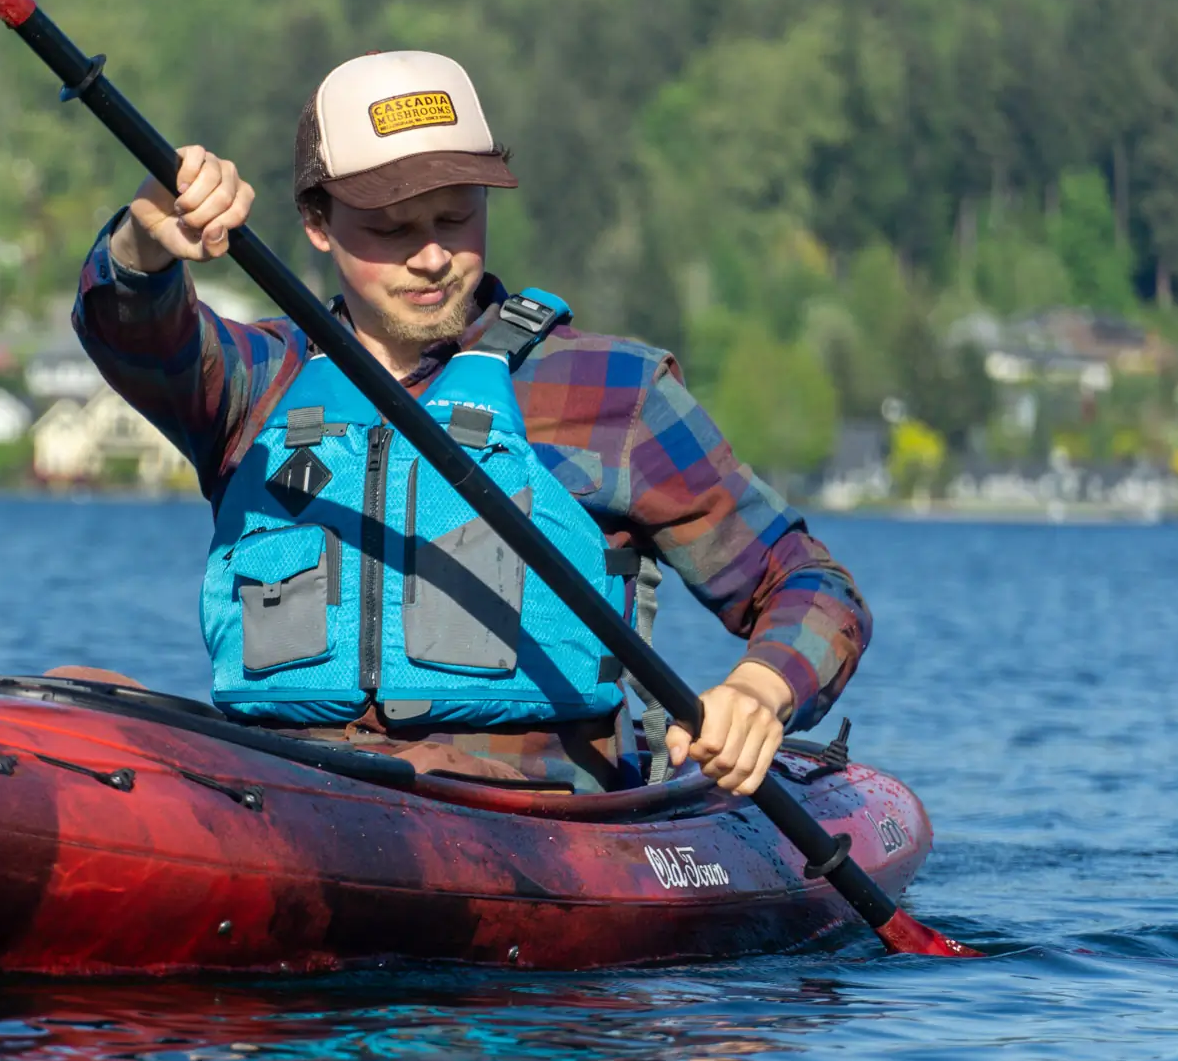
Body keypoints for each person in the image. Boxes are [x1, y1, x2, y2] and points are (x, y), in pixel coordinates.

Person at [72, 50, 869, 795]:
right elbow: (132, 328)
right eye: (390, 229)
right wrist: (145, 242)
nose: (431, 257)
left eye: (456, 218)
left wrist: (760, 688)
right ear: (317, 223)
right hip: (290, 793)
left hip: (526, 819)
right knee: (78, 694)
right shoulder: (255, 382)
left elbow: (809, 584)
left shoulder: (613, 392)